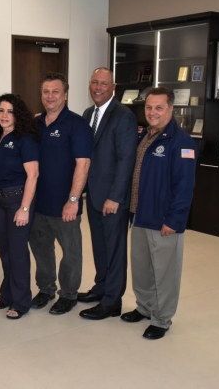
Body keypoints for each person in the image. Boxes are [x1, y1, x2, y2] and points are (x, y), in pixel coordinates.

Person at [121, 87, 197, 340]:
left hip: (163, 220)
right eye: (149, 107)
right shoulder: (145, 136)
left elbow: (184, 186)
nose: (152, 112)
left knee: (164, 273)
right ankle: (144, 308)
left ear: (171, 109)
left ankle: (162, 319)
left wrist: (174, 220)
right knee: (142, 269)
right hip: (140, 215)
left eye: (159, 107)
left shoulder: (182, 142)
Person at [29, 72, 92, 315]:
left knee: (71, 252)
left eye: (56, 91)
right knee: (41, 249)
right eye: (46, 91)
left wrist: (73, 200)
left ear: (65, 95)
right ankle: (46, 289)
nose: (50, 96)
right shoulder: (34, 124)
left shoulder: (77, 124)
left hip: (65, 204)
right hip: (37, 203)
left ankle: (68, 294)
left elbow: (83, 164)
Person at [78, 68, 137, 320]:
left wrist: (115, 196)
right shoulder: (88, 113)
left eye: (104, 83)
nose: (98, 87)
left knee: (114, 249)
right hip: (92, 194)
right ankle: (101, 287)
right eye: (94, 82)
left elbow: (126, 160)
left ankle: (112, 301)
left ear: (114, 87)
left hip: (113, 198)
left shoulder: (124, 116)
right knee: (100, 246)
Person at [0, 93, 39, 320]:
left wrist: (24, 208)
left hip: (18, 201)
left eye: (10, 111)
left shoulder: (24, 138)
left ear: (18, 115)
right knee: (5, 252)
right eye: (0, 110)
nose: (4, 115)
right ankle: (6, 294)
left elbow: (33, 175)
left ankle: (21, 301)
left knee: (17, 254)